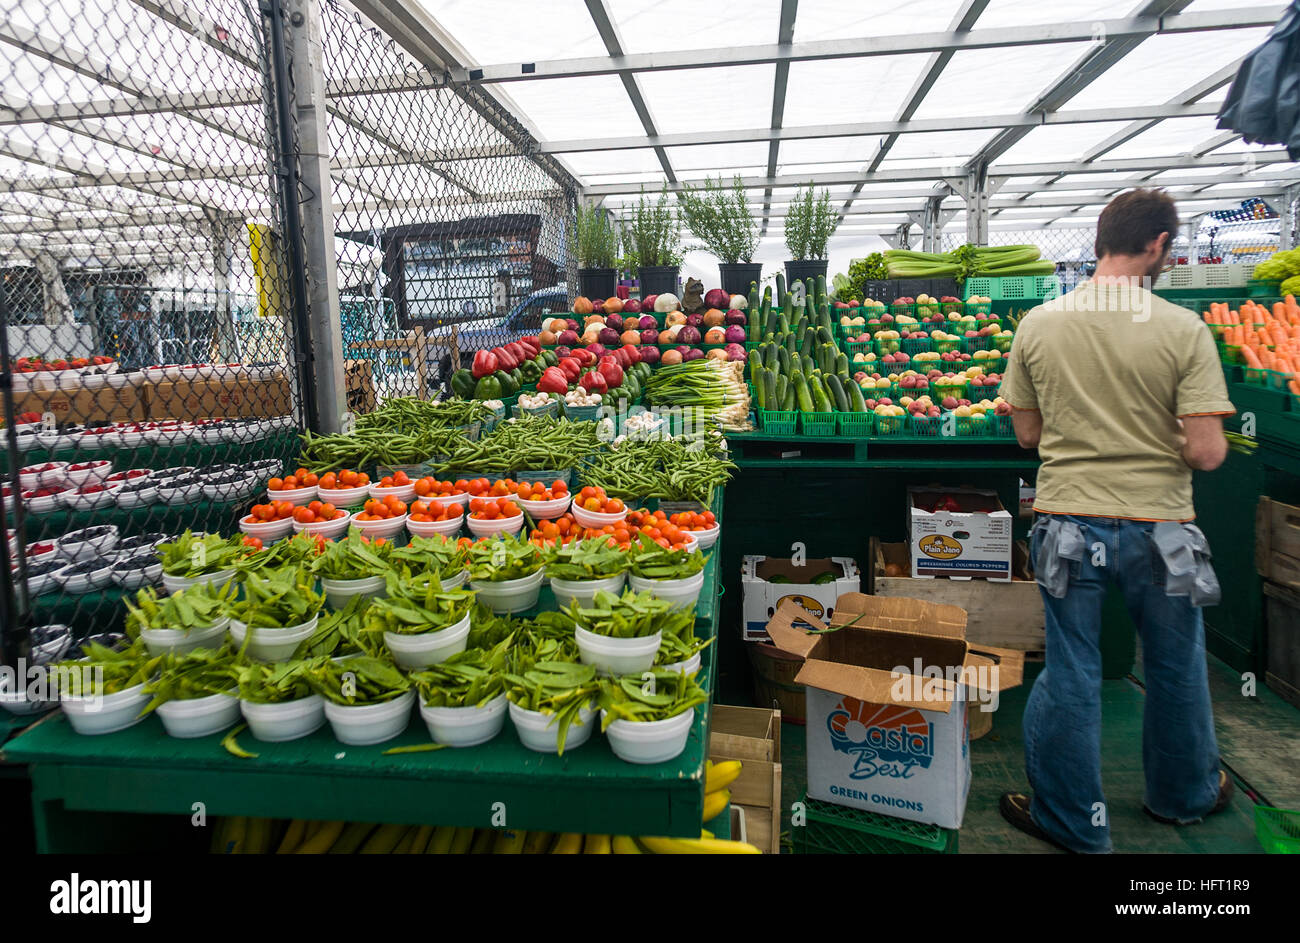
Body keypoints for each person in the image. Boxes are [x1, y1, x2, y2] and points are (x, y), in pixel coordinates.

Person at [997, 189, 1235, 854]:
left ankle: (1073, 823)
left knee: (1071, 666)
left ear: (1101, 240)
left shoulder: (1040, 324)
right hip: (1163, 527)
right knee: (1176, 664)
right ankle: (1182, 796)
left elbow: (1027, 432)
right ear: (1158, 245)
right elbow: (1209, 451)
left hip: (1070, 519)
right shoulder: (1184, 329)